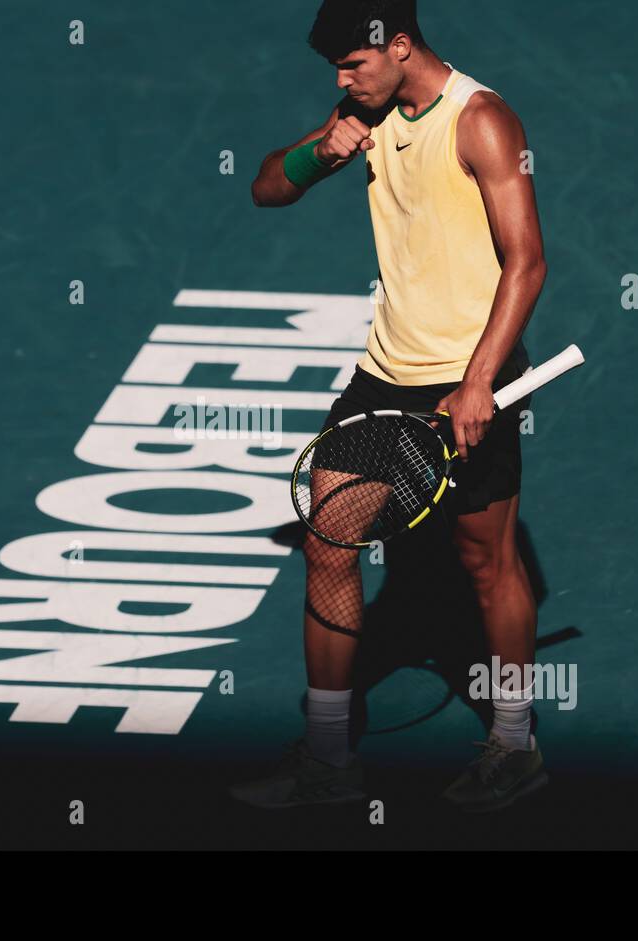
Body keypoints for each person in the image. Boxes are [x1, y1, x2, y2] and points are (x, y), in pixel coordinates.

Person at [231, 0, 548, 812]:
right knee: (328, 542)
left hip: (468, 377)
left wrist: (478, 380)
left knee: (487, 563)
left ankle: (514, 746)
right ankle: (329, 760)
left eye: (353, 66)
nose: (342, 82)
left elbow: (527, 263)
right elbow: (266, 190)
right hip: (384, 378)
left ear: (398, 46)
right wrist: (318, 151)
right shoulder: (360, 111)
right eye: (337, 71)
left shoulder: (483, 121)